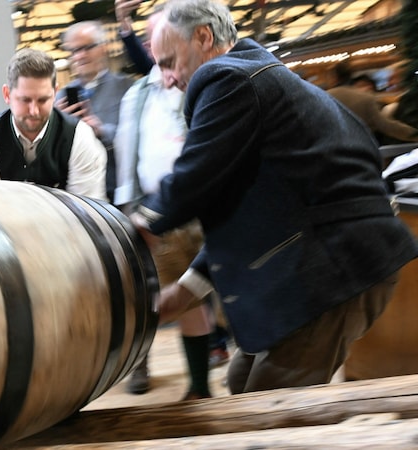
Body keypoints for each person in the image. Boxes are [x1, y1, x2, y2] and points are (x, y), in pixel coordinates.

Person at [134, 0, 418, 394]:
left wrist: (142, 221)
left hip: (336, 269)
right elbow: (242, 209)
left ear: (203, 37)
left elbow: (195, 176)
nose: (166, 78)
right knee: (240, 384)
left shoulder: (227, 78)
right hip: (337, 262)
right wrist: (187, 290)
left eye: (168, 62)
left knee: (270, 409)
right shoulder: (258, 77)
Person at [114, 11, 215, 400]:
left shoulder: (200, 85)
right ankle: (159, 372)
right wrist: (128, 206)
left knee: (198, 297)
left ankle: (205, 383)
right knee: (163, 293)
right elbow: (128, 150)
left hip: (199, 206)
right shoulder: (137, 94)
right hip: (155, 211)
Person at [0, 48, 107, 200]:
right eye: (25, 100)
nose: (34, 111)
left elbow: (84, 210)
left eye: (43, 100)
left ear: (55, 93)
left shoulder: (80, 137)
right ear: (7, 94)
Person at [56, 20, 134, 203]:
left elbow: (137, 138)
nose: (80, 56)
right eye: (74, 51)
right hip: (78, 196)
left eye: (87, 48)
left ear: (104, 48)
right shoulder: (61, 98)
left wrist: (101, 130)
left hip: (118, 192)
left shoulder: (127, 88)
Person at [327, 62, 418, 144]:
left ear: (334, 78)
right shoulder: (365, 97)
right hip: (361, 150)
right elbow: (386, 125)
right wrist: (414, 134)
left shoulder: (323, 98)